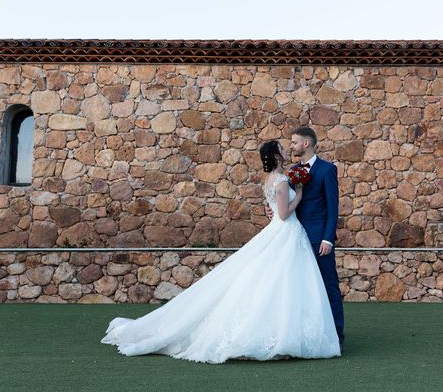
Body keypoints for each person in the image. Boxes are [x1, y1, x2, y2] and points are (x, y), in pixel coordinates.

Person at [101, 140, 341, 364]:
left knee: (278, 282)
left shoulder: (274, 178)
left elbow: (272, 208)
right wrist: (298, 194)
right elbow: (284, 214)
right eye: (282, 147)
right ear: (277, 155)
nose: (288, 149)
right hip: (285, 231)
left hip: (285, 233)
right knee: (277, 282)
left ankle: (288, 331)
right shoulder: (279, 180)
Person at [265, 127, 345, 348]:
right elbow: (282, 199)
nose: (291, 146)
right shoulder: (290, 171)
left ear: (306, 144)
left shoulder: (327, 170)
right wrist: (270, 209)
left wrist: (328, 238)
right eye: (290, 143)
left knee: (329, 287)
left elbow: (332, 207)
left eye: (294, 142)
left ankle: (337, 337)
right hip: (293, 240)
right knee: (302, 289)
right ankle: (308, 336)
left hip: (319, 239)